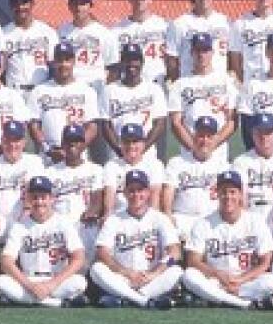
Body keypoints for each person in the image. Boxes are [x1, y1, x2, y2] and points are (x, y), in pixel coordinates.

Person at [182, 170, 273, 310]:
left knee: (271, 282)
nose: (228, 196)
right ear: (217, 194)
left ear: (240, 194)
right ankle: (245, 303)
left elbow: (266, 261)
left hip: (245, 281)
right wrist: (217, 274)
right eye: (223, 192)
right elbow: (193, 261)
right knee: (189, 275)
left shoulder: (255, 221)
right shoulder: (203, 223)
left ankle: (218, 298)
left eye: (232, 192)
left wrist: (241, 280)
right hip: (214, 280)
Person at [90, 169, 183, 309]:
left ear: (148, 192)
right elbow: (102, 253)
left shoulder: (160, 218)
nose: (136, 195)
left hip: (151, 277)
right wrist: (127, 273)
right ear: (125, 193)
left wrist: (155, 273)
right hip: (123, 278)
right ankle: (144, 301)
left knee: (176, 271)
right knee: (96, 269)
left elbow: (175, 253)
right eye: (131, 190)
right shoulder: (114, 219)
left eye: (140, 190)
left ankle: (127, 299)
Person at [0, 175, 89, 307]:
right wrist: (30, 285)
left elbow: (79, 258)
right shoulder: (20, 226)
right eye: (34, 197)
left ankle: (30, 300)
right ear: (28, 199)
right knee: (0, 282)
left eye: (43, 197)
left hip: (56, 279)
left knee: (80, 282)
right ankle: (57, 303)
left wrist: (52, 284)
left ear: (52, 199)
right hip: (29, 279)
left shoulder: (64, 223)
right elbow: (6, 262)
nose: (39, 202)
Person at [168, 32, 239, 165]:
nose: (201, 55)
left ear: (212, 52)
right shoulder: (180, 84)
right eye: (198, 50)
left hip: (218, 153)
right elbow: (176, 123)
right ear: (191, 53)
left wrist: (213, 143)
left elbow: (232, 120)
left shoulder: (226, 81)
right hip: (189, 154)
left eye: (205, 50)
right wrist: (194, 148)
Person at [27, 42, 102, 164]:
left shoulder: (87, 91)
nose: (63, 64)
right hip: (50, 157)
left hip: (79, 157)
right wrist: (48, 149)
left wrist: (75, 150)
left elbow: (92, 128)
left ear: (73, 61)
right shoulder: (39, 91)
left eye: (67, 60)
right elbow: (34, 126)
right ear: (53, 62)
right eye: (59, 60)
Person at [161, 116, 229, 242]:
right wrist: (168, 216)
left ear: (215, 139)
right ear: (194, 136)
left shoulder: (223, 166)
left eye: (209, 136)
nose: (204, 140)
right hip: (182, 218)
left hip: (211, 219)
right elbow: (167, 194)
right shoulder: (176, 162)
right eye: (201, 136)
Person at [0, 120, 46, 246]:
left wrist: (27, 210)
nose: (12, 144)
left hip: (26, 217)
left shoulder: (34, 161)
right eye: (8, 140)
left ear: (24, 142)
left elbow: (33, 189)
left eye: (16, 140)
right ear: (2, 141)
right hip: (0, 220)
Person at [100, 44, 168, 163]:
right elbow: (106, 126)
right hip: (118, 158)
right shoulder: (109, 90)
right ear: (121, 63)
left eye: (135, 60)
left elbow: (160, 124)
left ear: (142, 62)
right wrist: (120, 150)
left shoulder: (154, 89)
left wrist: (142, 149)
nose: (131, 64)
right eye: (127, 60)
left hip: (147, 157)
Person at [47, 124, 105, 261]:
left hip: (86, 224)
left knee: (90, 231)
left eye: (77, 140)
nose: (72, 144)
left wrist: (92, 210)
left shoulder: (95, 169)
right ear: (62, 144)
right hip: (61, 225)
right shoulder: (50, 172)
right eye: (68, 141)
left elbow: (97, 198)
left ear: (83, 144)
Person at [231, 113, 273, 239]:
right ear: (252, 134)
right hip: (253, 214)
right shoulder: (241, 162)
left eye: (268, 133)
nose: (264, 137)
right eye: (259, 132)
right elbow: (240, 199)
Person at [166, 0, 232, 80]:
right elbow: (172, 61)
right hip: (189, 83)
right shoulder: (179, 24)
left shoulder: (225, 22)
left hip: (218, 85)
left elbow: (233, 57)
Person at [2, 0, 58, 98]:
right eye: (15, 3)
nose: (20, 7)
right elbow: (0, 70)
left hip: (41, 89)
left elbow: (54, 66)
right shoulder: (3, 33)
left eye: (24, 2)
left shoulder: (47, 32)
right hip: (14, 92)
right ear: (10, 5)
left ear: (32, 4)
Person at [111, 0, 169, 86]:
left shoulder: (165, 26)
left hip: (158, 82)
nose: (139, 1)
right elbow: (114, 65)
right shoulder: (117, 30)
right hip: (129, 84)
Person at [58, 0, 116, 89]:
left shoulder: (104, 33)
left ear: (90, 5)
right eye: (75, 3)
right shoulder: (62, 31)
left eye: (83, 3)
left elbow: (113, 66)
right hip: (70, 85)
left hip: (95, 85)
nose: (78, 8)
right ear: (69, 6)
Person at [102, 123, 164, 216]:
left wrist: (151, 223)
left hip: (146, 216)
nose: (131, 146)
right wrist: (108, 218)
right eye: (126, 142)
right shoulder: (111, 166)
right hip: (119, 217)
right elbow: (109, 199)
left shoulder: (155, 165)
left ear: (143, 144)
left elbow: (154, 201)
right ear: (120, 144)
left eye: (135, 141)